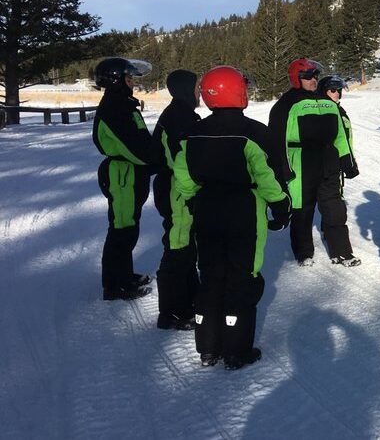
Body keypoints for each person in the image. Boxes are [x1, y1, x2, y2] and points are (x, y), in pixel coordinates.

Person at [174, 66, 290, 370]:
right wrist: (280, 205)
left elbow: (182, 174)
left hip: (206, 206)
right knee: (242, 275)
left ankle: (208, 348)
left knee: (211, 274)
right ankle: (236, 350)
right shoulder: (253, 132)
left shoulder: (192, 133)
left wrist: (192, 199)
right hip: (243, 209)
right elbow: (267, 176)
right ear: (238, 93)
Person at [268, 59, 358, 266]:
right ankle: (304, 252)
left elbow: (340, 137)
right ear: (296, 79)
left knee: (334, 207)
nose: (314, 80)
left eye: (316, 76)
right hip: (301, 161)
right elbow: (276, 141)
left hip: (328, 160)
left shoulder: (327, 102)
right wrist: (282, 169)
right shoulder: (286, 105)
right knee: (302, 209)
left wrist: (348, 161)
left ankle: (342, 251)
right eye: (308, 76)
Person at [92, 57, 156, 301]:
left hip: (130, 173)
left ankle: (124, 274)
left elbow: (140, 140)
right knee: (121, 229)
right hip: (123, 175)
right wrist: (156, 161)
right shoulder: (115, 108)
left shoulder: (124, 104)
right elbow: (134, 147)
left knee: (130, 225)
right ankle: (114, 284)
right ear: (116, 80)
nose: (133, 83)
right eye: (129, 78)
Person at [151, 69, 201, 329]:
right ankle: (173, 312)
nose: (199, 92)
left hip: (175, 188)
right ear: (185, 90)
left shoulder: (180, 113)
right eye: (196, 87)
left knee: (185, 248)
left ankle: (190, 301)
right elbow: (180, 161)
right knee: (177, 249)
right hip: (177, 191)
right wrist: (192, 193)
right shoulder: (178, 118)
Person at [316, 74, 361, 266]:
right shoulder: (323, 110)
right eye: (332, 90)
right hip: (325, 166)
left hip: (336, 164)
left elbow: (346, 141)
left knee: (331, 203)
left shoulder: (338, 110)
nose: (336, 93)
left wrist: (349, 160)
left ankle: (329, 235)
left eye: (338, 90)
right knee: (334, 207)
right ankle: (342, 252)